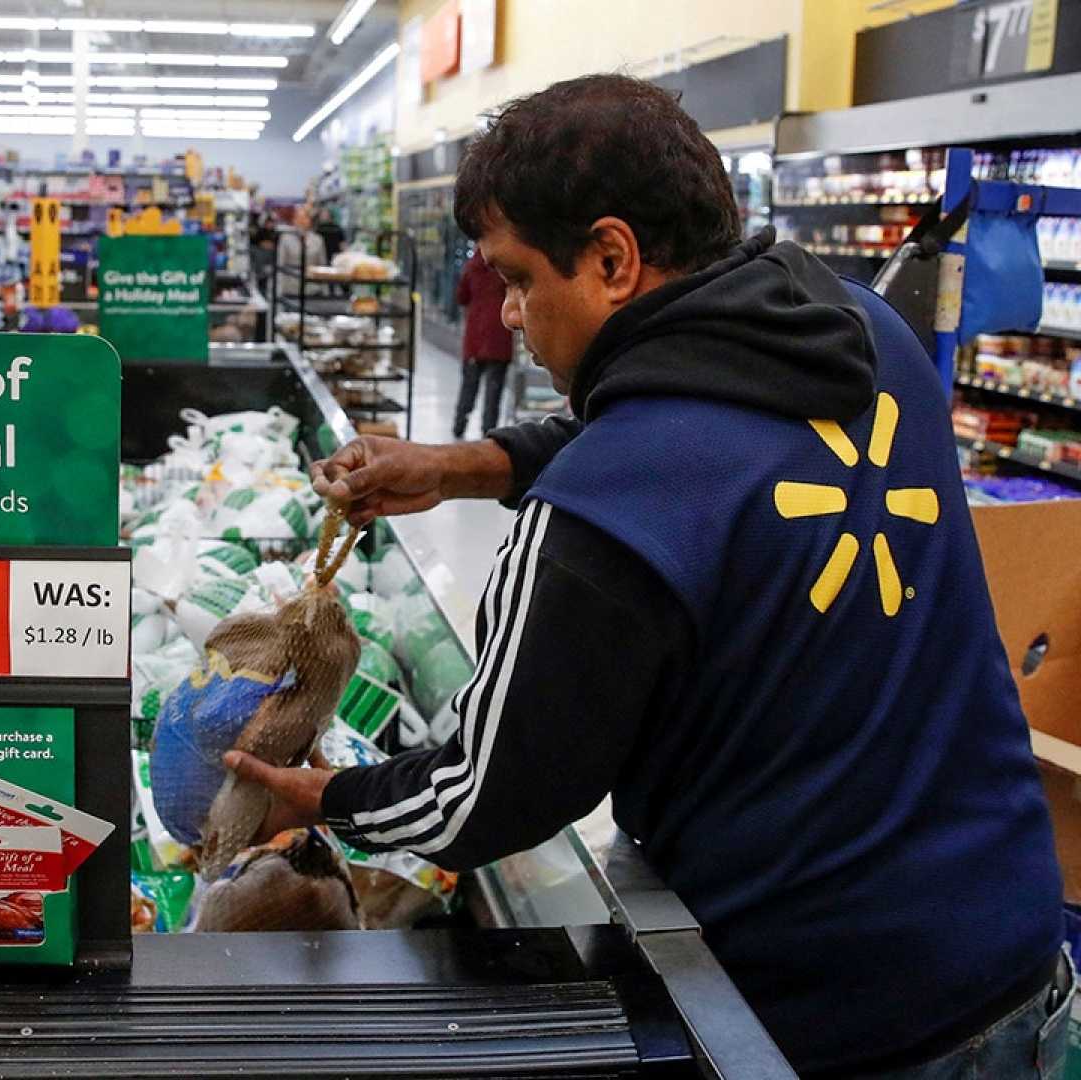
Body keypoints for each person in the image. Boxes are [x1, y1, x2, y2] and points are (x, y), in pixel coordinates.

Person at [224, 74, 1071, 1077]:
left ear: (613, 258)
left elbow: (482, 800)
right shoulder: (862, 333)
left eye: (519, 278)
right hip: (1018, 948)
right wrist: (460, 466)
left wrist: (316, 798)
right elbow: (695, 429)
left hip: (833, 1021)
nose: (511, 312)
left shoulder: (595, 521)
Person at [452, 247, 514, 438]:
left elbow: (461, 297)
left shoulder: (471, 268)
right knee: (493, 391)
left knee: (469, 386)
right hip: (499, 336)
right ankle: (489, 431)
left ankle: (459, 425)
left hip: (475, 339)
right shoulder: (506, 270)